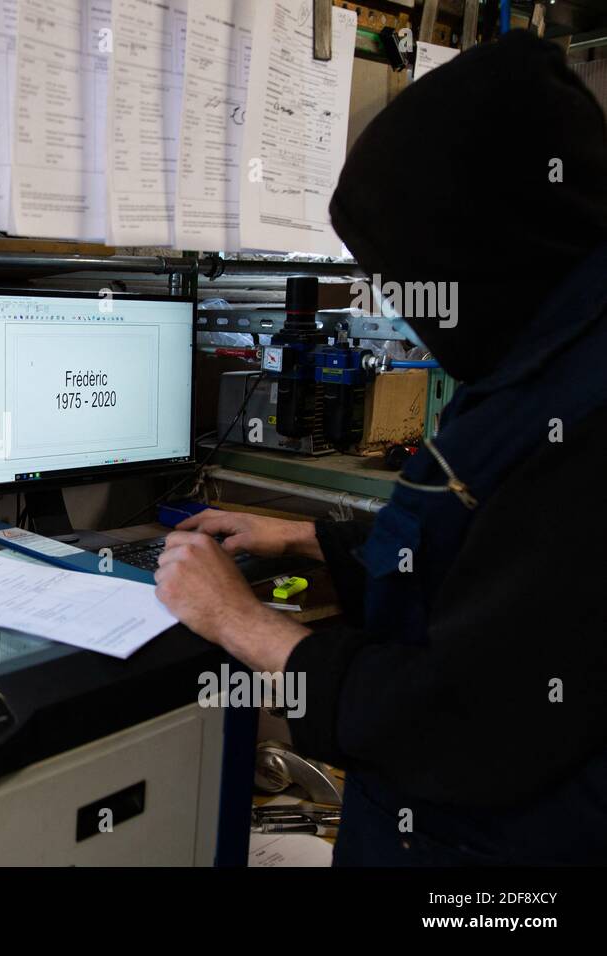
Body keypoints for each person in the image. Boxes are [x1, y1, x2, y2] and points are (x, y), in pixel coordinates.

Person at [153, 30, 607, 865]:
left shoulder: (586, 410)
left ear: (482, 243)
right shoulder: (545, 341)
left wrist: (246, 625)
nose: (409, 310)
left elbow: (475, 719)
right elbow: (489, 557)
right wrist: (310, 539)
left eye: (412, 275)